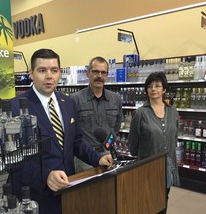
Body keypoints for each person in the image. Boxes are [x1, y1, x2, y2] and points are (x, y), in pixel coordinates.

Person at [8, 49, 114, 214]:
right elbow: (12, 159)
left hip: (67, 188)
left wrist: (98, 159)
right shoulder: (15, 107)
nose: (49, 76)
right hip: (35, 197)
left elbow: (76, 141)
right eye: (42, 70)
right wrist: (46, 175)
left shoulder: (67, 102)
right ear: (31, 73)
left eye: (54, 70)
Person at [128, 71, 180, 214]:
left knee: (163, 201)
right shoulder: (140, 113)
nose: (153, 89)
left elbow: (174, 137)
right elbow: (133, 142)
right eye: (150, 86)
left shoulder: (173, 111)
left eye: (157, 86)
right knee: (148, 204)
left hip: (167, 167)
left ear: (164, 89)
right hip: (147, 167)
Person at [70, 56, 123, 173]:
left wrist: (108, 146)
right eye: (96, 72)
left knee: (107, 188)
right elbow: (72, 131)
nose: (100, 76)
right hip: (83, 158)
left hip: (107, 155)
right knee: (85, 190)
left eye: (103, 72)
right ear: (88, 73)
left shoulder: (115, 99)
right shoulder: (75, 100)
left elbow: (116, 128)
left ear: (107, 75)